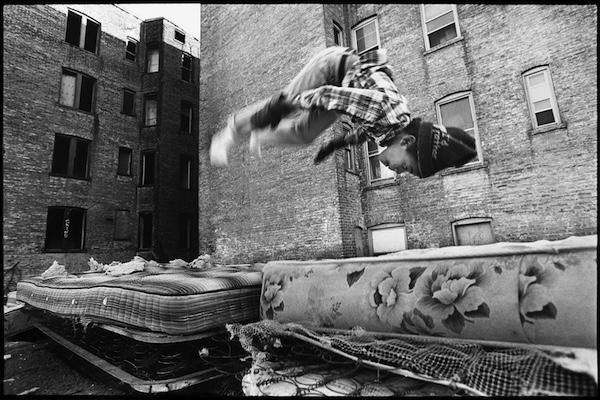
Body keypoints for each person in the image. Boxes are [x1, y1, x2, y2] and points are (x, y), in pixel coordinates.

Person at [209, 45, 476, 178]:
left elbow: (362, 131)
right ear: (407, 141)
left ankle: (262, 135)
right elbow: (325, 96)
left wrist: (336, 144)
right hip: (333, 68)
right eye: (405, 166)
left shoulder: (394, 128)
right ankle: (229, 132)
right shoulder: (382, 109)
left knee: (304, 135)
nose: (397, 171)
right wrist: (281, 108)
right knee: (288, 105)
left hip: (343, 88)